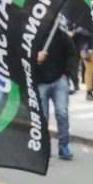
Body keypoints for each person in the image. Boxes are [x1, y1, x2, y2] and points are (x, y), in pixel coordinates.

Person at [36, 25, 76, 160]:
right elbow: (22, 55)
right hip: (40, 81)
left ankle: (64, 145)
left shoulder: (60, 35)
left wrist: (67, 74)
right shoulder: (33, 35)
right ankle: (45, 147)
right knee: (42, 117)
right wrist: (36, 58)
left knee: (62, 112)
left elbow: (72, 53)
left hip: (60, 80)